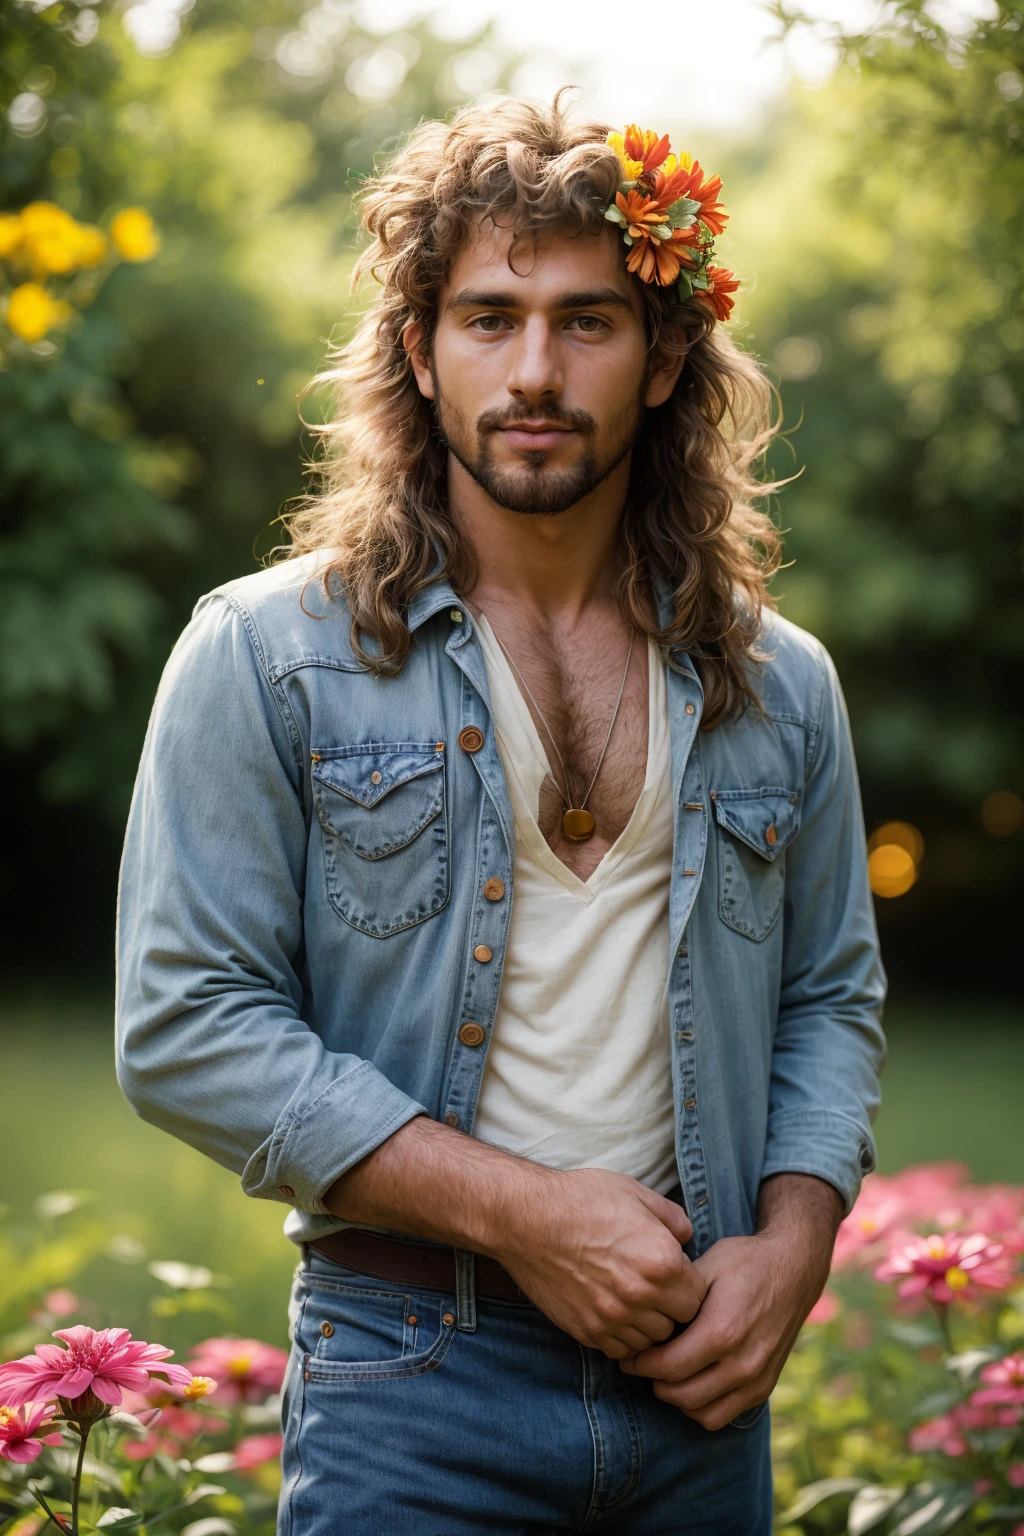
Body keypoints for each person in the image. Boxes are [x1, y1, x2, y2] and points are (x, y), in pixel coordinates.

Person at [116, 95, 886, 1535]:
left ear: (664, 360)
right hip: (410, 1381)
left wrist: (791, 1248)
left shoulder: (783, 686)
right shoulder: (265, 656)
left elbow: (830, 997)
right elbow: (184, 1023)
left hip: (697, 1385)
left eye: (588, 320)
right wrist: (528, 1214)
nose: (536, 369)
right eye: (489, 317)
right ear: (420, 351)